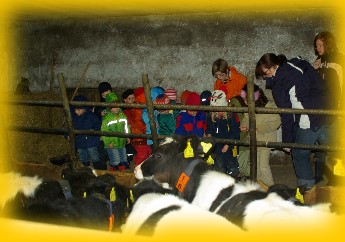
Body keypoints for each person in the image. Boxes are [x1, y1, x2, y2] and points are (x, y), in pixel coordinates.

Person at [255, 53, 336, 189]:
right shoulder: (297, 63)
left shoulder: (280, 84)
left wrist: (287, 141)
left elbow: (287, 114)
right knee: (335, 150)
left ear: (273, 68)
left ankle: (307, 192)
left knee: (299, 154)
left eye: (264, 74)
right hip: (329, 112)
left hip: (309, 118)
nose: (264, 78)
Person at [238, 84, 281, 186]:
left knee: (263, 166)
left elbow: (276, 122)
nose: (245, 102)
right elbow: (245, 119)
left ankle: (271, 187)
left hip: (266, 141)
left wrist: (260, 128)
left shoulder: (270, 107)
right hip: (254, 141)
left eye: (247, 99)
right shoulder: (250, 108)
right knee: (255, 165)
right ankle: (260, 186)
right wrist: (244, 125)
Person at [206, 90, 240, 178]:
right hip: (217, 146)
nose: (217, 111)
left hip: (229, 146)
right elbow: (209, 127)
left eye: (218, 108)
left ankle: (232, 179)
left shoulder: (230, 115)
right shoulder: (212, 115)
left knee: (233, 167)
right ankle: (222, 181)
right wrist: (209, 136)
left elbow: (235, 131)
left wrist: (228, 144)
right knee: (220, 166)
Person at [313, 31, 345, 109]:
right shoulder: (319, 61)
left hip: (336, 106)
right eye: (317, 46)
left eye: (320, 45)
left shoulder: (338, 60)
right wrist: (314, 69)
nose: (318, 48)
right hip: (324, 105)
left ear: (328, 45)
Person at [68, 95, 102, 168]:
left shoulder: (91, 116)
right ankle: (86, 168)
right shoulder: (73, 118)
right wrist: (67, 135)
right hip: (79, 140)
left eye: (79, 110)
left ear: (85, 109)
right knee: (82, 155)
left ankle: (98, 168)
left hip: (91, 140)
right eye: (75, 110)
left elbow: (98, 124)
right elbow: (69, 127)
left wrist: (94, 130)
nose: (76, 112)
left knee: (94, 155)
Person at [101, 92, 130, 170]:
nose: (116, 108)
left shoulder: (122, 115)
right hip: (112, 142)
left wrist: (127, 136)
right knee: (115, 158)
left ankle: (123, 170)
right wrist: (108, 142)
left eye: (117, 106)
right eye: (114, 106)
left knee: (123, 156)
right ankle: (114, 170)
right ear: (109, 107)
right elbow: (104, 131)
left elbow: (126, 126)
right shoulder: (107, 118)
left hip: (121, 140)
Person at [131, 87, 152, 166]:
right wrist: (147, 129)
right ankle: (138, 166)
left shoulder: (142, 107)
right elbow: (138, 123)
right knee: (142, 154)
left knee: (147, 152)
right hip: (139, 136)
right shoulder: (138, 109)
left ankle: (144, 166)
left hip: (144, 135)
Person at [122, 88, 136, 165]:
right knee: (128, 149)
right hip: (128, 134)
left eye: (133, 98)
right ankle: (127, 162)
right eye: (129, 99)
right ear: (125, 100)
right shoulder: (124, 112)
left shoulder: (137, 110)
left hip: (136, 132)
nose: (132, 100)